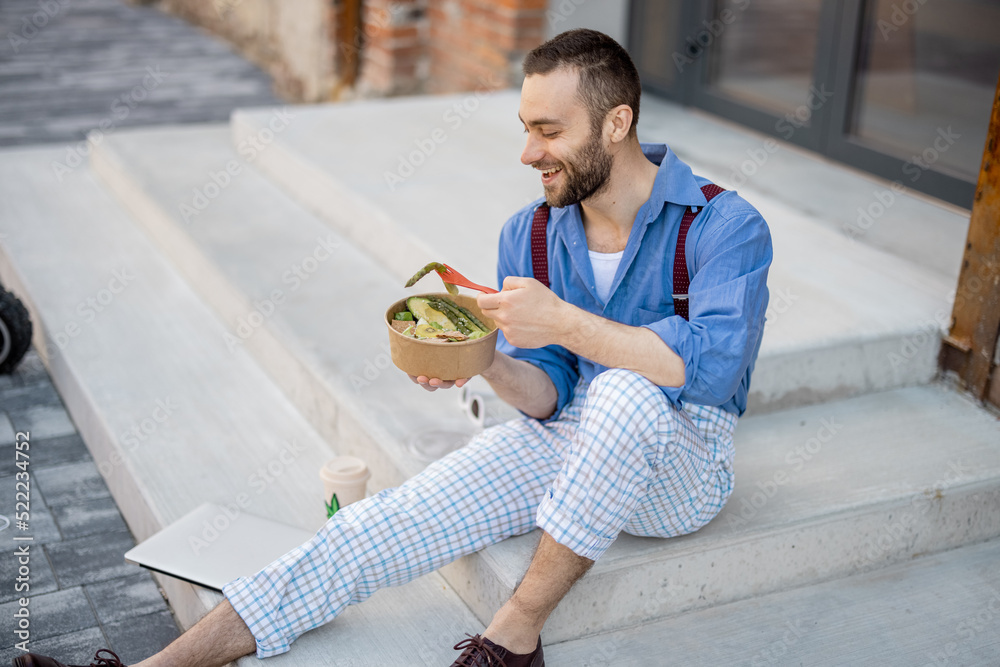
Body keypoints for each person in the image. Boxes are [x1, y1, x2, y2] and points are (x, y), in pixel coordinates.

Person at [15, 28, 771, 667]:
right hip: (575, 439)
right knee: (378, 524)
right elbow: (551, 394)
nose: (527, 152)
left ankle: (512, 638)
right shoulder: (533, 232)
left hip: (684, 461)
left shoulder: (723, 226)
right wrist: (486, 362)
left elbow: (710, 367)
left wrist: (567, 323)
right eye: (524, 127)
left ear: (616, 124)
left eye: (549, 131)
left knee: (626, 390)